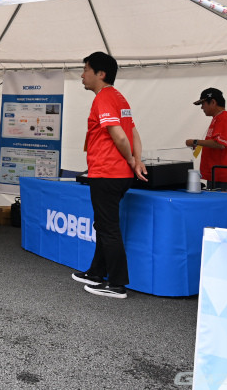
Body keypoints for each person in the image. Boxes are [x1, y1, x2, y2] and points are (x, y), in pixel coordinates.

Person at [72, 51, 147, 299]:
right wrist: (136, 160)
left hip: (107, 172)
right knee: (103, 225)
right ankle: (96, 272)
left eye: (86, 70)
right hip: (116, 173)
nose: (82, 75)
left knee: (108, 228)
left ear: (100, 74)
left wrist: (131, 159)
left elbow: (121, 136)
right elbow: (133, 132)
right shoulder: (119, 97)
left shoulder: (104, 97)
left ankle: (116, 284)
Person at [185, 88, 227, 191]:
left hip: (221, 174)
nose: (202, 107)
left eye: (203, 104)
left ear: (213, 102)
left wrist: (195, 141)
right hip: (217, 173)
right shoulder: (218, 118)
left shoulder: (223, 118)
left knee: (219, 200)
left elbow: (220, 144)